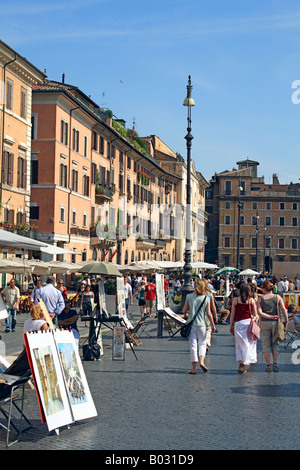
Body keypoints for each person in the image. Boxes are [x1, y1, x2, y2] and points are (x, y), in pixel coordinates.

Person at [182, 278, 216, 374]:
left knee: (193, 346)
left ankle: (194, 368)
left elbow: (184, 310)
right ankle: (202, 361)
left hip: (192, 325)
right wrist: (213, 325)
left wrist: (188, 313)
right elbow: (209, 313)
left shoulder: (189, 296)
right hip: (202, 325)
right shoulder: (206, 298)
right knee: (202, 344)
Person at [257, 279, 288, 372]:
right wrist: (286, 321)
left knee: (266, 344)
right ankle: (275, 363)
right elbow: (284, 310)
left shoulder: (260, 299)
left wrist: (270, 317)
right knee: (275, 343)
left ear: (264, 288)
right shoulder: (277, 297)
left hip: (265, 322)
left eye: (262, 288)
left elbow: (260, 313)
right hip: (276, 322)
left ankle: (268, 365)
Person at [230, 283, 258, 374]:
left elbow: (232, 314)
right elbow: (255, 314)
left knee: (239, 344)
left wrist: (231, 325)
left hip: (238, 323)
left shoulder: (235, 300)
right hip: (248, 323)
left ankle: (241, 362)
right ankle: (245, 363)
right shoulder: (251, 300)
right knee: (248, 344)